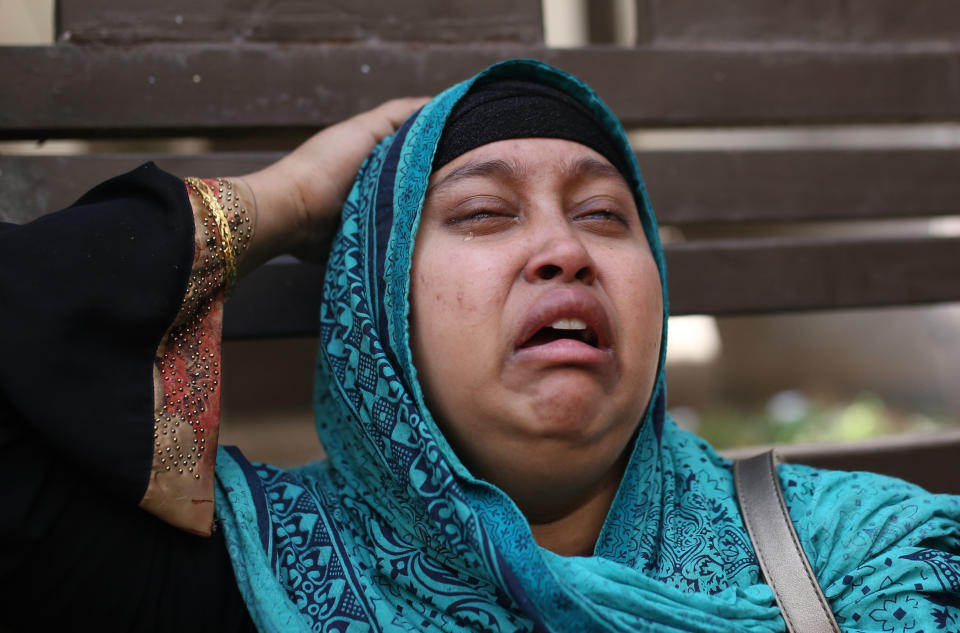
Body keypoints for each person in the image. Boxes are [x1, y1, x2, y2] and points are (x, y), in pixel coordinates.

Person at [1, 59, 958, 632]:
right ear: (380, 322)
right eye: (483, 213)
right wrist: (283, 199)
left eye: (603, 215)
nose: (563, 251)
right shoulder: (240, 580)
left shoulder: (865, 560)